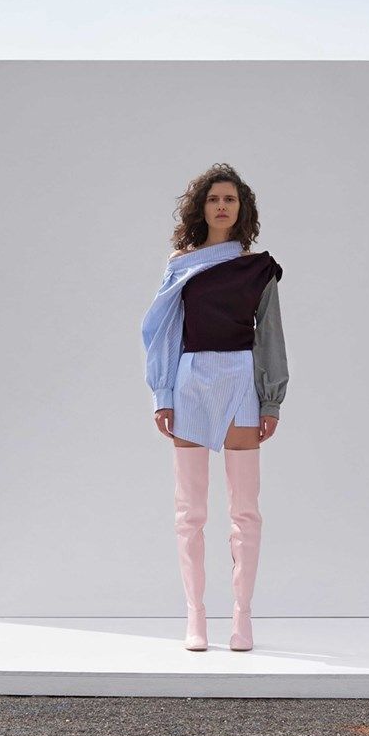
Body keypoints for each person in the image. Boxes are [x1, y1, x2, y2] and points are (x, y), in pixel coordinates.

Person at [140, 163, 288, 652]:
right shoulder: (180, 265)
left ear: (241, 208)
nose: (222, 205)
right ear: (200, 208)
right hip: (190, 380)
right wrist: (163, 394)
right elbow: (164, 332)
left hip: (241, 380)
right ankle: (196, 616)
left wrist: (271, 398)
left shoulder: (258, 268)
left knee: (246, 511)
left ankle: (242, 619)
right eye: (213, 199)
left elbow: (270, 337)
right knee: (191, 513)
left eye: (230, 199)